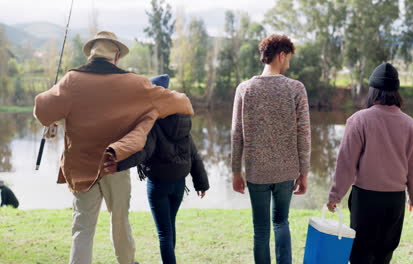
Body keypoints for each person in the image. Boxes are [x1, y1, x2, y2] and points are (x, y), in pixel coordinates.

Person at [34, 31, 194, 264]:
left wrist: (54, 95)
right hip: (115, 165)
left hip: (79, 167)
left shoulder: (71, 80)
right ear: (116, 56)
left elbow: (41, 111)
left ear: (91, 54)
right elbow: (183, 103)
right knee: (120, 222)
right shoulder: (134, 84)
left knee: (82, 228)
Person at [326, 62, 413, 264]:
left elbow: (346, 163)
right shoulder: (410, 124)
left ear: (372, 90)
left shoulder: (358, 120)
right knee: (384, 255)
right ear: (396, 92)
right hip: (395, 201)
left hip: (366, 200)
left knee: (360, 255)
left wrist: (335, 195)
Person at [104, 74, 209, 264]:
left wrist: (119, 164)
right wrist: (201, 182)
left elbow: (144, 152)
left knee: (164, 233)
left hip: (159, 184)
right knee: (169, 227)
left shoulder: (152, 120)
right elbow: (193, 152)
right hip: (178, 184)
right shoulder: (183, 118)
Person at [231, 34, 311, 264]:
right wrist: (304, 172)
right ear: (281, 55)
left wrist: (236, 171)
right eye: (288, 59)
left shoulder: (245, 89)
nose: (289, 64)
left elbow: (237, 135)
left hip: (257, 173)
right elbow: (304, 134)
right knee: (281, 222)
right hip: (287, 171)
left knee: (261, 229)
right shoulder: (296, 89)